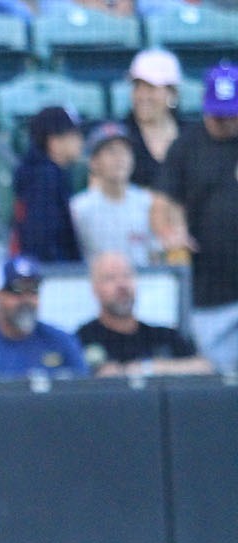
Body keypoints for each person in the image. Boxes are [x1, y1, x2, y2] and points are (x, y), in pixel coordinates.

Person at [152, 62, 238, 375]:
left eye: (231, 114)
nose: (224, 122)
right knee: (215, 377)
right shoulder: (187, 146)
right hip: (210, 291)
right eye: (218, 113)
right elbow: (162, 203)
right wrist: (170, 231)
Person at [0, 255, 87, 379]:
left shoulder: (59, 340)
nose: (26, 299)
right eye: (17, 291)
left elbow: (82, 392)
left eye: (33, 290)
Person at [77, 250, 211, 377]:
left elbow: (204, 367)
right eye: (111, 278)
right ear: (95, 288)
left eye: (126, 275)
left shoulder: (163, 336)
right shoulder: (82, 339)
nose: (121, 284)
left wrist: (150, 368)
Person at [69, 122, 157, 266]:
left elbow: (156, 256)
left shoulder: (147, 203)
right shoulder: (78, 208)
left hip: (144, 283)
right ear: (94, 162)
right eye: (111, 151)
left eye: (125, 151)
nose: (119, 158)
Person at [11, 106, 83, 264]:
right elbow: (42, 239)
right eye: (74, 135)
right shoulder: (44, 179)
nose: (81, 141)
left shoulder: (45, 174)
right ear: (54, 142)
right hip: (51, 277)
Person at [124, 48, 182, 189]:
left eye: (151, 88)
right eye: (137, 87)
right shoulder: (121, 135)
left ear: (172, 93)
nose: (142, 95)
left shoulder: (191, 135)